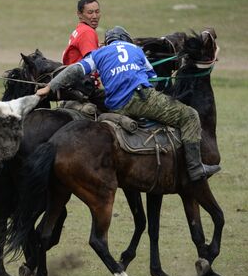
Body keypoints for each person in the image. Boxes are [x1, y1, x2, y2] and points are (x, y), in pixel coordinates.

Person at [37, 26, 220, 182]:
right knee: (189, 115)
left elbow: (75, 69)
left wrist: (50, 87)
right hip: (142, 100)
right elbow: (153, 79)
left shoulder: (98, 53)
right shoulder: (136, 50)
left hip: (116, 106)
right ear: (126, 39)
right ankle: (195, 168)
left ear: (108, 42)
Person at [61, 0, 101, 66]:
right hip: (82, 75)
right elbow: (92, 62)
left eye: (97, 12)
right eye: (90, 12)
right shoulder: (87, 32)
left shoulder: (80, 29)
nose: (95, 16)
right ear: (79, 14)